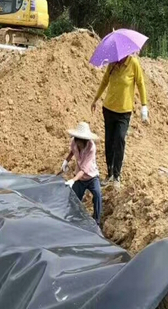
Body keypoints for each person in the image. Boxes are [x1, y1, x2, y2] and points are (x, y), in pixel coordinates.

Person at [91, 54, 148, 187]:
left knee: (120, 139)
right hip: (109, 108)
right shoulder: (112, 64)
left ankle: (117, 175)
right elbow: (105, 81)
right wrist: (96, 99)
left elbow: (140, 83)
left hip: (124, 111)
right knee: (109, 141)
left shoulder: (133, 63)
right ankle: (109, 173)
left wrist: (144, 105)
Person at [61, 121, 102, 225]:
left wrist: (72, 180)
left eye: (81, 141)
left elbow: (84, 170)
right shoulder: (74, 142)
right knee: (74, 199)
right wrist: (66, 161)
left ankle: (97, 221)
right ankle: (73, 219)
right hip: (80, 178)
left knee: (97, 194)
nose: (78, 143)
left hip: (91, 176)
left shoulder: (91, 148)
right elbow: (72, 151)